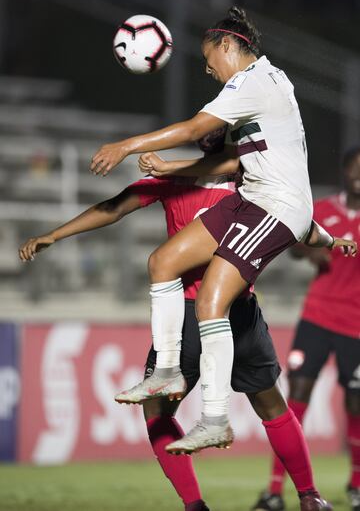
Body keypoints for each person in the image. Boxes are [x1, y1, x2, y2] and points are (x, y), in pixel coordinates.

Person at [19, 132, 355, 511]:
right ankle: (309, 496)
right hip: (239, 312)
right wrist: (329, 240)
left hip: (190, 317)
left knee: (159, 411)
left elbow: (114, 208)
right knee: (272, 405)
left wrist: (54, 235)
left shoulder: (182, 180)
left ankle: (197, 505)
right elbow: (296, 223)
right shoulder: (251, 181)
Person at [89, 5, 318, 455]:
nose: (207, 66)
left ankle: (215, 418)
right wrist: (175, 167)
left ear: (230, 45)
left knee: (212, 298)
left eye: (208, 56)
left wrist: (126, 144)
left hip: (276, 206)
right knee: (163, 261)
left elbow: (196, 127)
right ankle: (169, 371)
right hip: (252, 198)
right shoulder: (269, 80)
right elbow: (230, 158)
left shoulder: (251, 82)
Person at [251, 147, 360, 511]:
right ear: (345, 171)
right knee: (295, 394)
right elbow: (296, 241)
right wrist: (305, 250)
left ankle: (357, 484)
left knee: (356, 401)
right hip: (316, 316)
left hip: (356, 326)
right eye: (354, 168)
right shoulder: (324, 210)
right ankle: (274, 491)